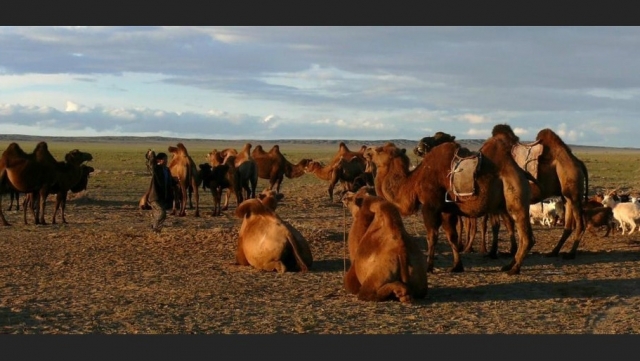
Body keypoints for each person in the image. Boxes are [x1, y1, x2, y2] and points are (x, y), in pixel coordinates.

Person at [146, 152, 175, 234]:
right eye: (165, 159)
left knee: (160, 214)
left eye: (166, 159)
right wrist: (152, 155)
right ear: (160, 160)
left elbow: (169, 182)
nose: (166, 161)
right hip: (155, 196)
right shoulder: (156, 169)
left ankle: (156, 230)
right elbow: (152, 164)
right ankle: (155, 228)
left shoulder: (167, 170)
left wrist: (175, 181)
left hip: (163, 196)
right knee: (162, 213)